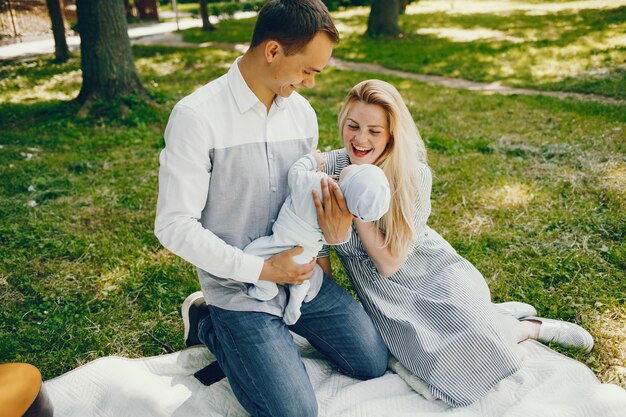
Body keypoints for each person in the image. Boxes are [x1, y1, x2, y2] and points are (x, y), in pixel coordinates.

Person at [154, 1, 388, 416]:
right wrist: (262, 270)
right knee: (294, 412)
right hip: (240, 285)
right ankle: (208, 320)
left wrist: (323, 258)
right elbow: (173, 226)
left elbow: (306, 199)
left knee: (370, 362)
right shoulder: (196, 117)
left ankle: (271, 330)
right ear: (273, 51)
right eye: (307, 70)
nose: (311, 83)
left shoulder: (302, 114)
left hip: (302, 277)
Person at [317, 79, 594, 408]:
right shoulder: (330, 169)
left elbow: (391, 263)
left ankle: (525, 329)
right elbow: (318, 245)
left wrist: (358, 209)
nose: (361, 140)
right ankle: (498, 321)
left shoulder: (412, 175)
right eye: (353, 126)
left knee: (486, 345)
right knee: (444, 368)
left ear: (391, 134)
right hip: (384, 296)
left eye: (374, 131)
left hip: (431, 273)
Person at [245, 151, 391, 325]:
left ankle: (266, 289)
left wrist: (312, 159)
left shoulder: (317, 182)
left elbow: (295, 174)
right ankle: (297, 297)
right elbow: (330, 237)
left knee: (251, 254)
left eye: (356, 170)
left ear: (347, 183)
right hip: (307, 255)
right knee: (302, 275)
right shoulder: (344, 213)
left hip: (282, 239)